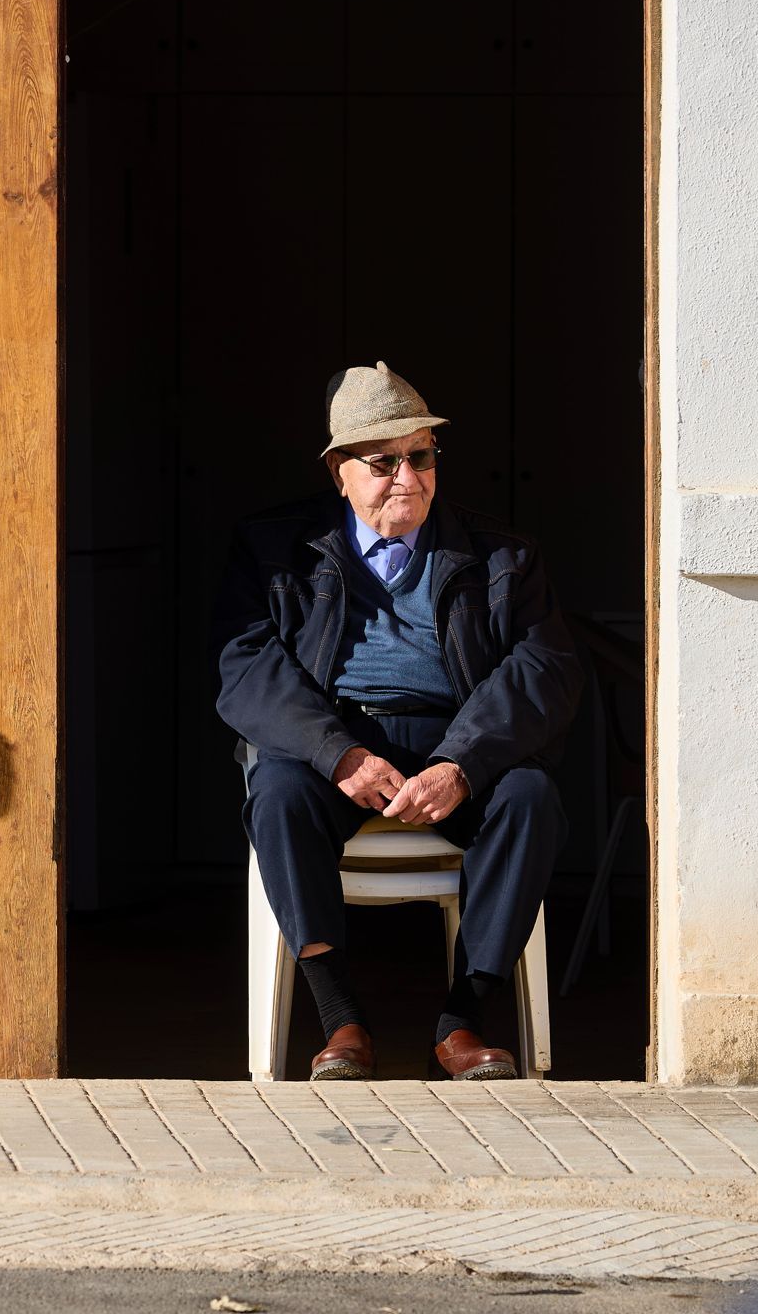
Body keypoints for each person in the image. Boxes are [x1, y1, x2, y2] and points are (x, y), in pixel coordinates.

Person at [211, 361, 583, 1080]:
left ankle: (463, 1021)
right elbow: (244, 664)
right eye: (383, 463)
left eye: (421, 456)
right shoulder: (273, 549)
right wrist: (336, 753)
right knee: (280, 795)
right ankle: (341, 1020)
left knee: (531, 799)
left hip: (454, 739)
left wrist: (463, 765)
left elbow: (545, 669)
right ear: (338, 471)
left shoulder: (502, 556)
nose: (406, 478)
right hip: (337, 743)